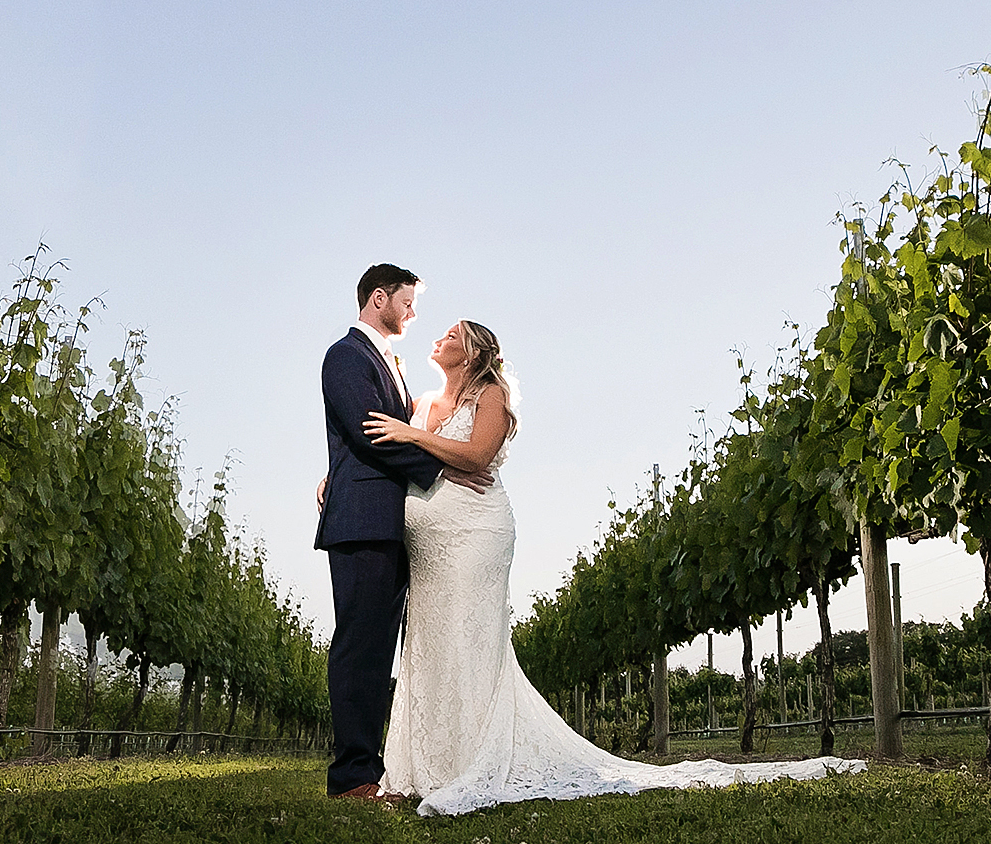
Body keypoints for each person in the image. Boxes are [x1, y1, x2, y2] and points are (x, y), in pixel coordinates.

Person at [366, 317, 860, 817]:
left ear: (471, 352)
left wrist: (416, 439)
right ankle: (425, 763)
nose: (438, 338)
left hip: (475, 536)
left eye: (451, 335)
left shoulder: (490, 395)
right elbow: (390, 451)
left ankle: (471, 760)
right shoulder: (424, 404)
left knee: (468, 640)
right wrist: (341, 477)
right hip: (428, 550)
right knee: (429, 642)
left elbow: (477, 456)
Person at [314, 263, 448, 800]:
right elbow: (373, 435)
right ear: (378, 299)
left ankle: (371, 769)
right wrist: (445, 471)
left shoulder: (388, 361)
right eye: (407, 302)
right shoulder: (345, 356)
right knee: (360, 648)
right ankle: (352, 777)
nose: (413, 313)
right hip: (362, 521)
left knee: (378, 653)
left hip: (387, 522)